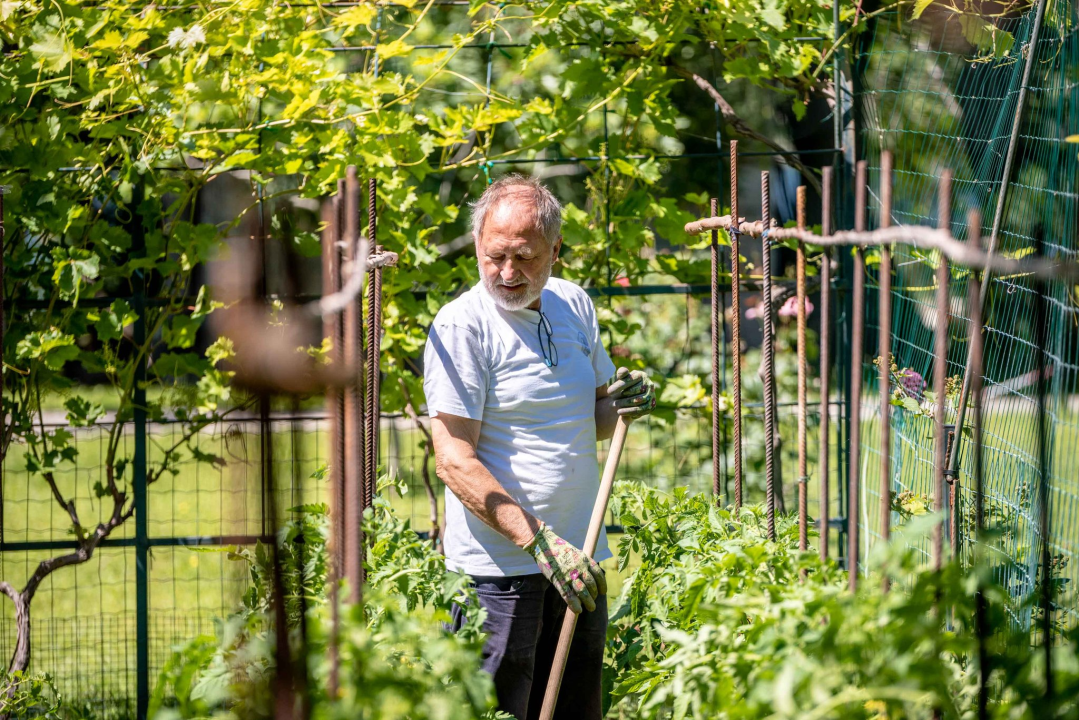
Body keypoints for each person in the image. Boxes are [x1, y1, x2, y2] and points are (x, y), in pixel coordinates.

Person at [422, 174, 656, 720]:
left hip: (580, 559)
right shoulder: (462, 326)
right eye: (494, 256)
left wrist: (624, 402)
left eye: (524, 257)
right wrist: (542, 545)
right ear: (477, 245)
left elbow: (591, 418)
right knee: (499, 712)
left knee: (576, 710)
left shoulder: (573, 304)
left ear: (555, 249)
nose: (507, 273)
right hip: (499, 575)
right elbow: (454, 461)